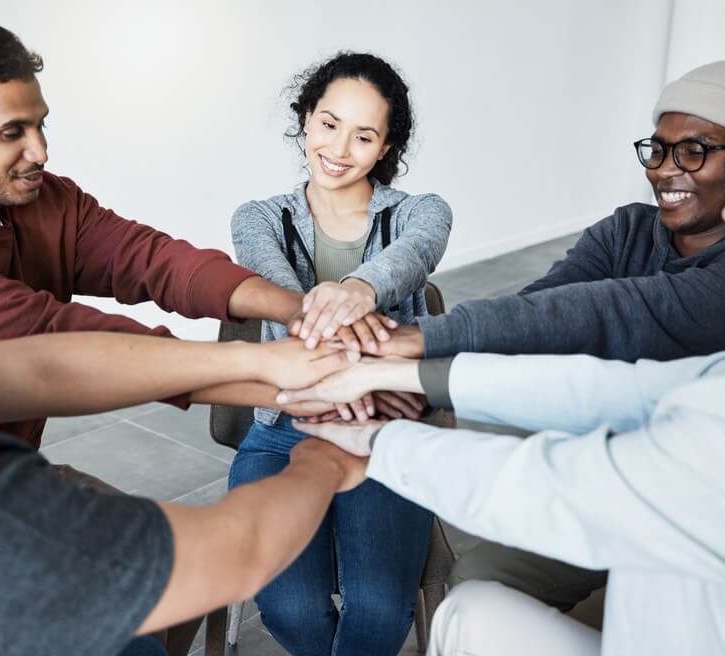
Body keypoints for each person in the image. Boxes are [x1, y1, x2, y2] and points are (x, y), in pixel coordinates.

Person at [0, 3, 367, 654]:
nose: (40, 152)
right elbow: (236, 554)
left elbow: (46, 364)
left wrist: (280, 353)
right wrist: (328, 457)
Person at [287, 50, 725, 655]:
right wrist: (411, 375)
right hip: (652, 519)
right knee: (466, 605)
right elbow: (601, 376)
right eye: (660, 149)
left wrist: (385, 424)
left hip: (648, 527)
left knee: (453, 609)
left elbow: (570, 468)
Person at [0, 19, 326, 448]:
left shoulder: (47, 200)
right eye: (11, 133)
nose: (40, 151)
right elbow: (60, 350)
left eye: (41, 124)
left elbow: (151, 260)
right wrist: (289, 378)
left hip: (4, 471)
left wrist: (298, 310)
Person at [228, 51, 453, 655]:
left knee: (380, 608)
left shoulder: (419, 213)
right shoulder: (258, 220)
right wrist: (351, 327)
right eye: (328, 124)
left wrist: (356, 291)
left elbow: (415, 255)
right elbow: (287, 307)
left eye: (364, 135)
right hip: (284, 427)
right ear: (304, 119)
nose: (340, 148)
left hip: (387, 427)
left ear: (385, 148)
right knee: (289, 606)